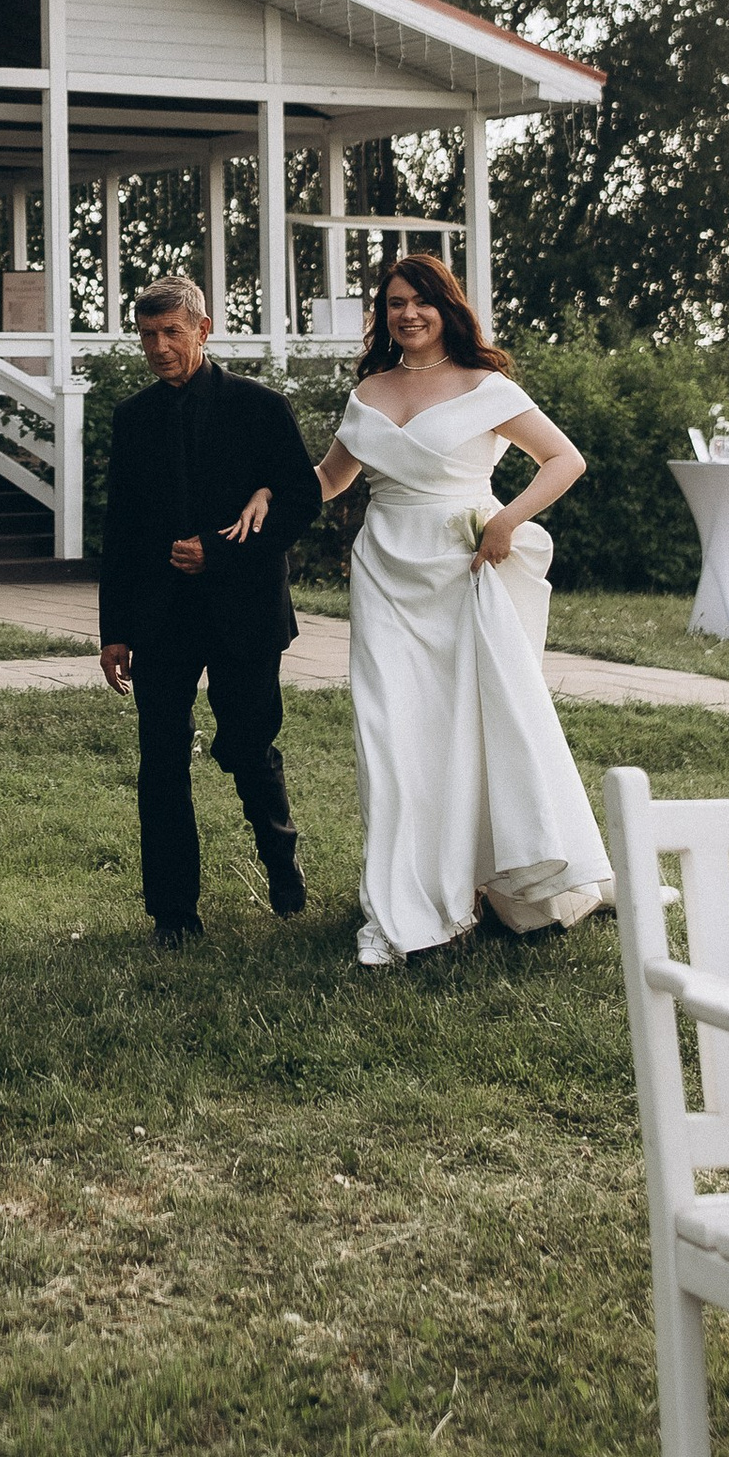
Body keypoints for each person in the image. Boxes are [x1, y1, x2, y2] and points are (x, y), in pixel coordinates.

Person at [312, 252, 609, 967]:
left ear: (447, 307)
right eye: (393, 304)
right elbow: (327, 479)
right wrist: (264, 491)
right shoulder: (369, 392)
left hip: (461, 568)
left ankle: (482, 881)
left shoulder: (487, 387)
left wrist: (507, 520)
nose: (407, 313)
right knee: (390, 734)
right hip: (385, 572)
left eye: (421, 301)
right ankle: (401, 903)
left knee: (471, 728)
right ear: (381, 317)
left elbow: (564, 460)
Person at [98, 274, 323, 947]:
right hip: (161, 616)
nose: (159, 346)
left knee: (248, 747)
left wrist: (219, 557)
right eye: (146, 335)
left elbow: (299, 502)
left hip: (245, 610)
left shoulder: (260, 407)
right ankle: (173, 914)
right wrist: (114, 631)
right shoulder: (132, 418)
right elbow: (123, 531)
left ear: (204, 328)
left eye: (171, 332)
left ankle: (282, 866)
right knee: (160, 760)